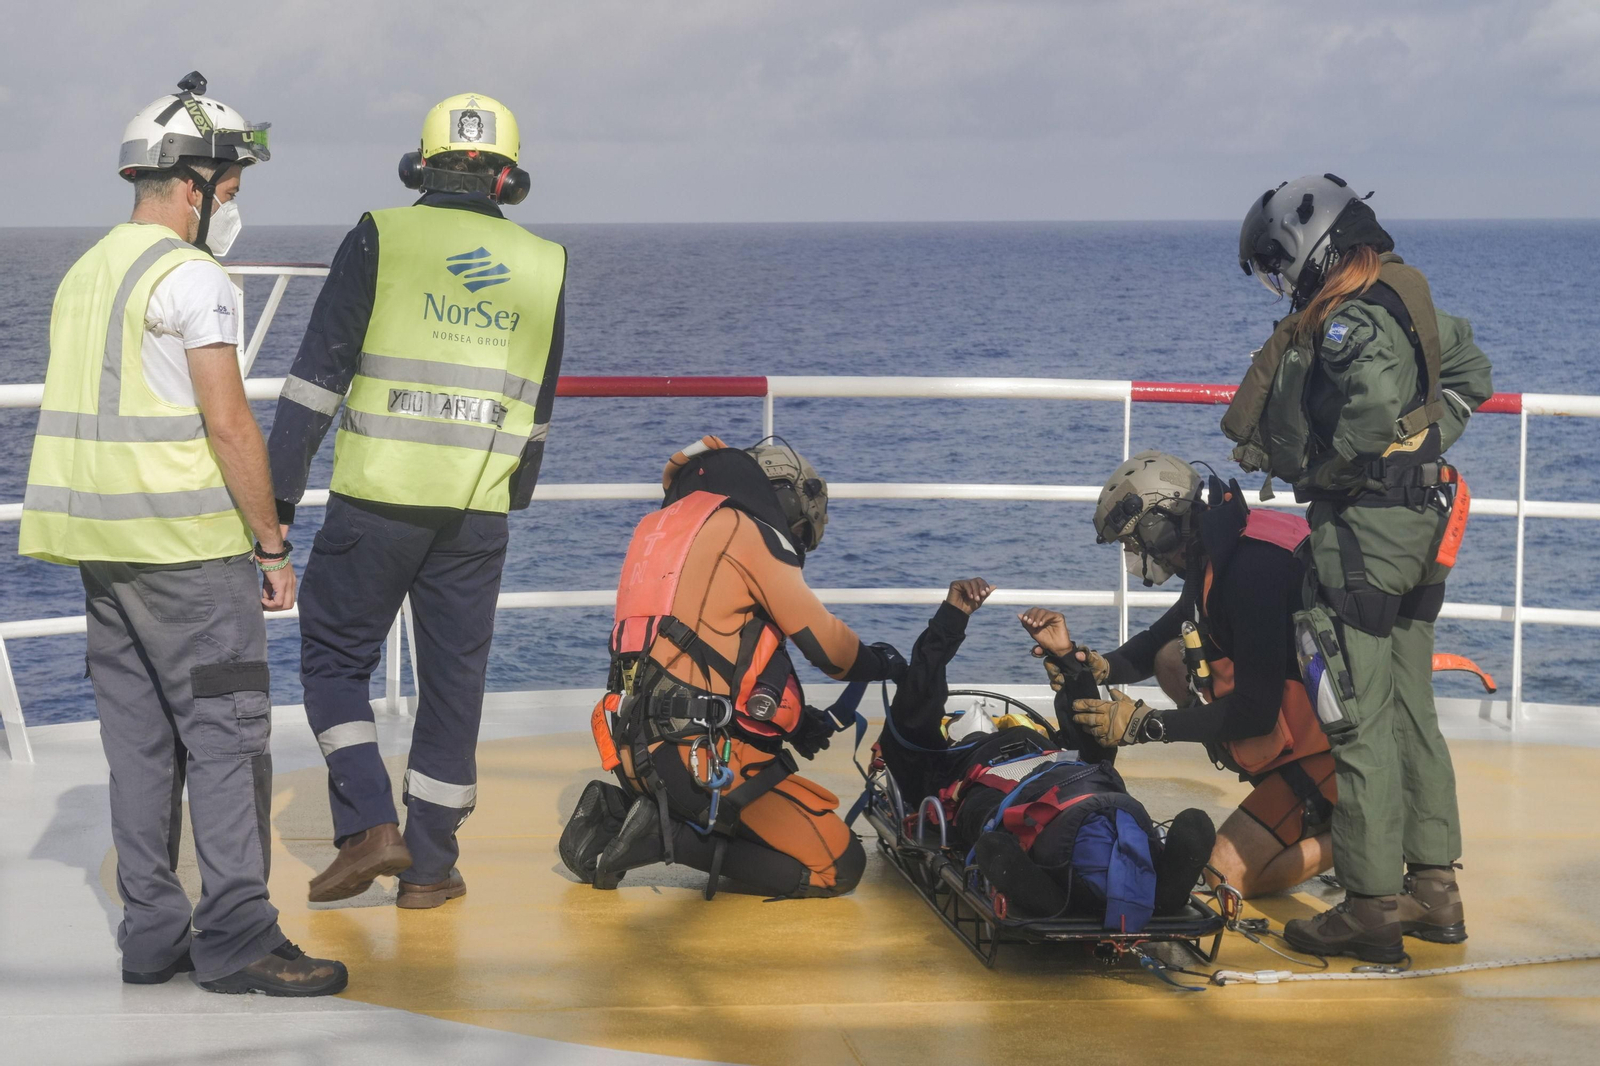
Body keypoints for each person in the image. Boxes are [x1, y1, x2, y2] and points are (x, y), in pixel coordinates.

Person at [18, 73, 345, 995]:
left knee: (139, 745)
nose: (233, 206)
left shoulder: (86, 272)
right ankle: (240, 936)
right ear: (193, 183)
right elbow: (230, 423)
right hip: (190, 558)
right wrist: (272, 549)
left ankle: (153, 932)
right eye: (231, 189)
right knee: (231, 738)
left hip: (102, 556)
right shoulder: (191, 276)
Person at [266, 92, 564, 909]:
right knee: (453, 685)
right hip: (477, 512)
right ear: (507, 179)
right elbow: (536, 410)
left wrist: (275, 508)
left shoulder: (381, 234)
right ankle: (430, 867)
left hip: (377, 503)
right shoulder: (544, 262)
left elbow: (314, 382)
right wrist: (511, 497)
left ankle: (369, 825)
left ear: (421, 165)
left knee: (332, 662)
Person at [1220, 174, 1494, 961]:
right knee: (1412, 709)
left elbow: (1368, 416)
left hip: (1364, 543)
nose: (1284, 282)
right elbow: (1468, 368)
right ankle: (1435, 891)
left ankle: (1373, 907)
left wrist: (1337, 467)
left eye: (1282, 264)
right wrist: (1426, 440)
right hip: (1418, 535)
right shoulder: (1406, 301)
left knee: (1356, 718)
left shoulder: (1347, 325)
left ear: (1316, 248)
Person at [559, 436, 907, 899]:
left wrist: (797, 721)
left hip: (635, 748)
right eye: (801, 529)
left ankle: (622, 810)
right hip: (696, 761)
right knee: (840, 866)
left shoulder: (660, 531)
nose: (796, 541)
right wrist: (880, 661)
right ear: (783, 496)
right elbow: (832, 652)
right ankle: (666, 838)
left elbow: (707, 651)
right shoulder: (745, 531)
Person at [1052, 452, 1335, 902]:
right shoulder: (1217, 547)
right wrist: (1094, 664)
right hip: (1304, 726)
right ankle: (1286, 799)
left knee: (1224, 877)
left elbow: (1255, 714)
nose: (1134, 555)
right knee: (1170, 655)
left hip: (1336, 750)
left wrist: (1147, 725)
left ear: (1159, 526)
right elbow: (1157, 641)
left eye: (1133, 543)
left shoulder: (1249, 572)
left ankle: (1365, 833)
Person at [874, 578, 1216, 926]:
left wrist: (1067, 656)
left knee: (1079, 786)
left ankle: (1051, 897)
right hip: (1057, 789)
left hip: (1064, 783)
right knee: (1092, 785)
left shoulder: (1022, 747)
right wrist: (950, 620)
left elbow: (1091, 727)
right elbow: (913, 714)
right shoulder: (943, 763)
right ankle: (1148, 885)